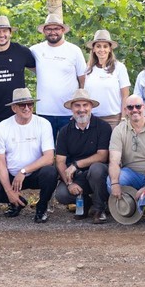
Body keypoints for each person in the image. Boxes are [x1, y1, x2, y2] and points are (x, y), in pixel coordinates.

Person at [0, 88, 57, 224]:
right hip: (11, 175)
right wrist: (9, 191)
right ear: (14, 108)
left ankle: (42, 207)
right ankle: (16, 202)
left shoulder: (43, 124)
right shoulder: (2, 127)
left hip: (34, 173)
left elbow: (49, 157)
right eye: (22, 105)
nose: (27, 108)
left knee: (50, 173)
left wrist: (24, 171)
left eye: (30, 104)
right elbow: (0, 163)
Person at [54, 89, 112, 224]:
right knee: (61, 194)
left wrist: (76, 165)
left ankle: (99, 209)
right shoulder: (64, 131)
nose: (81, 109)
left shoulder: (103, 127)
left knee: (97, 169)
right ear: (71, 108)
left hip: (98, 174)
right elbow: (60, 161)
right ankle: (85, 203)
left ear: (91, 107)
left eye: (85, 105)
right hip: (77, 176)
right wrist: (69, 183)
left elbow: (102, 156)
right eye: (77, 106)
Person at [31, 14, 87, 139]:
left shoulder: (74, 50)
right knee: (46, 148)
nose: (53, 32)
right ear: (44, 31)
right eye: (49, 29)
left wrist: (79, 107)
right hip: (44, 112)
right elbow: (20, 57)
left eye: (56, 28)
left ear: (62, 30)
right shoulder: (35, 50)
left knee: (70, 147)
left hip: (68, 112)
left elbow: (83, 80)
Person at [107, 94, 145, 199]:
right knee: (111, 182)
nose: (135, 110)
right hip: (130, 174)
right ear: (125, 110)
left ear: (144, 107)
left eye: (138, 106)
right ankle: (129, 203)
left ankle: (143, 200)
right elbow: (114, 161)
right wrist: (115, 183)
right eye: (130, 107)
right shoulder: (119, 130)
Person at [84, 30, 130, 129]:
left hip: (113, 119)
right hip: (92, 119)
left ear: (110, 49)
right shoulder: (88, 69)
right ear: (93, 49)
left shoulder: (119, 67)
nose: (102, 49)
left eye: (105, 46)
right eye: (98, 46)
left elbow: (125, 95)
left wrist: (123, 118)